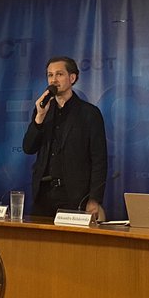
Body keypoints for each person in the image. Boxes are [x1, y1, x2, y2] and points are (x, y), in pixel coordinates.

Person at [22, 56, 107, 219]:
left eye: (59, 74)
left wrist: (94, 199)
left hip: (74, 195)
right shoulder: (43, 109)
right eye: (50, 75)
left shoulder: (89, 113)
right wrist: (39, 118)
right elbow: (28, 148)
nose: (53, 80)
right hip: (43, 193)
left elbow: (99, 159)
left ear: (72, 78)